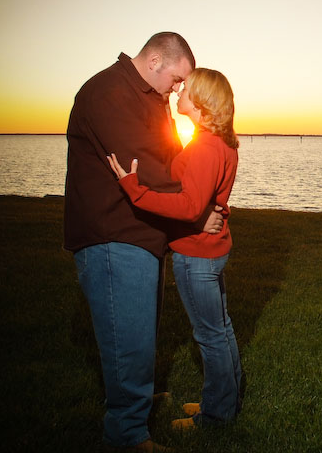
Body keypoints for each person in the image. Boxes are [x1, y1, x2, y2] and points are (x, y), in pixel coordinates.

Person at [64, 33, 224, 452]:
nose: (178, 89)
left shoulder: (150, 97)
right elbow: (145, 164)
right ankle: (127, 435)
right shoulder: (108, 92)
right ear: (155, 60)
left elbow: (169, 153)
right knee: (126, 331)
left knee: (136, 331)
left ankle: (136, 395)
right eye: (177, 78)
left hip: (141, 234)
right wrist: (195, 207)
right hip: (112, 233)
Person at [107, 67, 242, 431]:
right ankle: (224, 403)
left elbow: (188, 207)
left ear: (200, 103)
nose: (179, 90)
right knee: (222, 330)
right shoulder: (219, 143)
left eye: (186, 89)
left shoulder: (205, 148)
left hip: (196, 254)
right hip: (211, 249)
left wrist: (135, 189)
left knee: (211, 335)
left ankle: (214, 417)